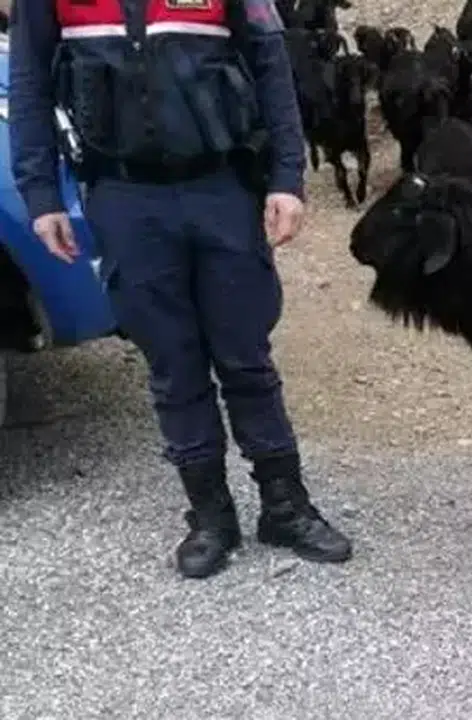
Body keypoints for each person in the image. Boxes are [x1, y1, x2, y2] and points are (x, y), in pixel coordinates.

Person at [8, 0, 352, 578]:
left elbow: (270, 63)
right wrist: (40, 196)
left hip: (221, 189)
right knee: (172, 363)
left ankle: (285, 506)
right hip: (125, 198)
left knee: (246, 357)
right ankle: (211, 515)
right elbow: (29, 86)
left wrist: (287, 177)